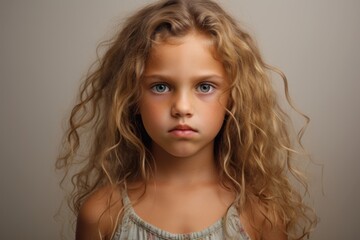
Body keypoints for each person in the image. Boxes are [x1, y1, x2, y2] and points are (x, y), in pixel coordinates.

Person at [56, 0, 317, 239]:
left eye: (204, 87)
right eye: (161, 87)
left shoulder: (260, 216)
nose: (182, 107)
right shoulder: (102, 214)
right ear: (131, 96)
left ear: (234, 98)